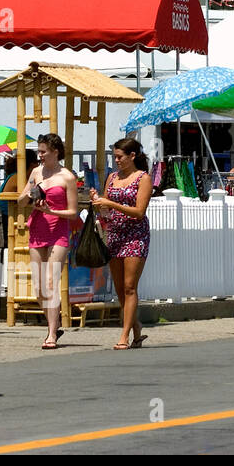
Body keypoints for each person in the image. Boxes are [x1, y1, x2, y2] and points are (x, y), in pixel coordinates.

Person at [89, 138, 153, 350]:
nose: (116, 161)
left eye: (120, 157)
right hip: (115, 234)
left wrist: (111, 203)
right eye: (115, 157)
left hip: (136, 234)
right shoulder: (113, 177)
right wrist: (99, 202)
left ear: (132, 156)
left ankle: (124, 335)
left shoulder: (143, 178)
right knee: (119, 288)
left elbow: (139, 211)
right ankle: (135, 327)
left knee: (129, 287)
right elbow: (106, 210)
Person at [18, 133, 79, 350]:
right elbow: (21, 199)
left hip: (59, 231)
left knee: (51, 282)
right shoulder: (36, 172)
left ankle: (51, 332)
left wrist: (50, 209)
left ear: (55, 152)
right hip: (37, 229)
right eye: (39, 151)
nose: (40, 155)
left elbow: (73, 212)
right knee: (39, 287)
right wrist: (32, 195)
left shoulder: (67, 177)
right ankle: (56, 322)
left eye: (43, 151)